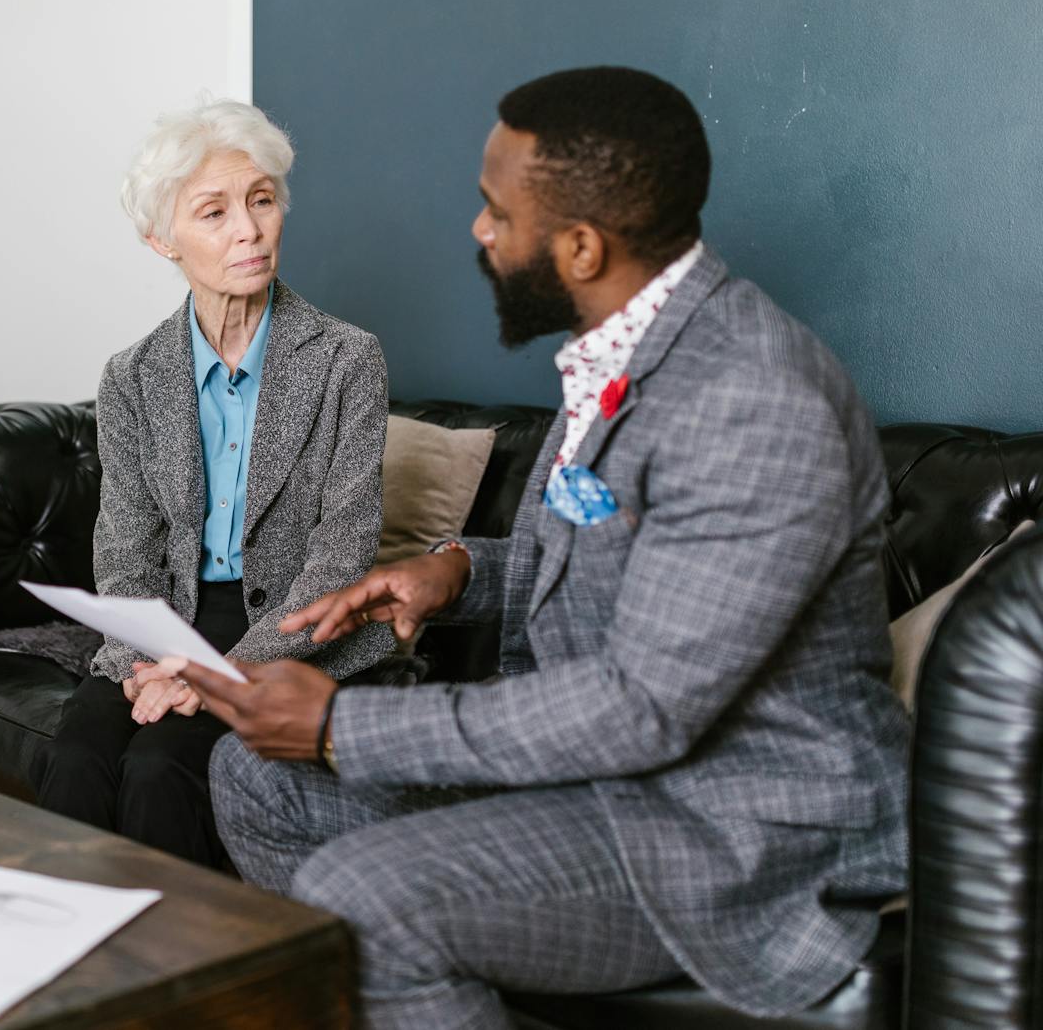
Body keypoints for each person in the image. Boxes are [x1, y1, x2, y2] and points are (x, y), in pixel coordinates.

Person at [177, 67, 909, 1026]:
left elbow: (644, 705)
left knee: (371, 894)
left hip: (733, 831)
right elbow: (635, 569)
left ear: (580, 244)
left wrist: (338, 727)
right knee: (254, 779)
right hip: (603, 783)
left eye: (496, 212)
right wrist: (458, 570)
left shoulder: (752, 399)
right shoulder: (621, 343)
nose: (480, 232)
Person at [27, 99, 394, 870]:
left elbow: (340, 559)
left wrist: (216, 676)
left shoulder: (347, 360)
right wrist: (152, 663)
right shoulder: (131, 377)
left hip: (290, 627)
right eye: (215, 211)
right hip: (167, 622)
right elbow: (125, 557)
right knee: (81, 756)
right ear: (163, 239)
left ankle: (178, 975)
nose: (249, 230)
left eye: (261, 200)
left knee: (162, 771)